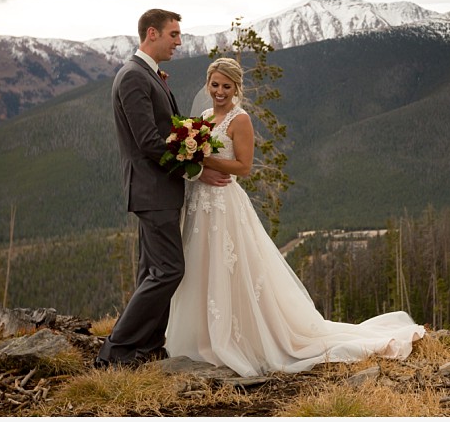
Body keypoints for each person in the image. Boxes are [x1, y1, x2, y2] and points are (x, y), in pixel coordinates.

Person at [165, 58, 425, 377]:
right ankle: (202, 336)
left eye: (226, 86)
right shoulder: (203, 117)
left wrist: (207, 160)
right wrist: (196, 164)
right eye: (215, 85)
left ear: (236, 88)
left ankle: (238, 336)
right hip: (200, 203)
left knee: (229, 266)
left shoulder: (240, 119)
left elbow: (244, 166)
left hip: (224, 204)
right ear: (208, 84)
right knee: (201, 265)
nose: (219, 92)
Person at [97, 9, 229, 368]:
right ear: (152, 33)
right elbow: (149, 142)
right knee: (169, 270)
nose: (179, 41)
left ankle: (148, 345)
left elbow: (162, 129)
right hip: (151, 189)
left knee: (151, 270)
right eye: (174, 34)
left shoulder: (147, 75)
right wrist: (195, 169)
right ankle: (116, 350)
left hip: (156, 189)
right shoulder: (133, 78)